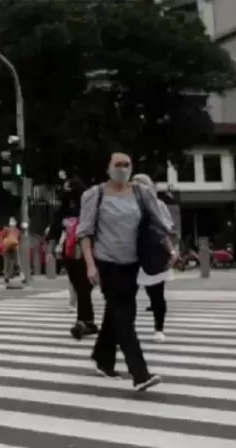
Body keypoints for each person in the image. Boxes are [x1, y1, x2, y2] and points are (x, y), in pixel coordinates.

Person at [76, 151, 175, 392]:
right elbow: (85, 232)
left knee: (116, 312)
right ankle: (139, 373)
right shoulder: (95, 195)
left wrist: (171, 249)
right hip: (107, 263)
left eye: (127, 164)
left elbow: (159, 224)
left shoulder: (142, 193)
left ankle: (103, 357)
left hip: (133, 263)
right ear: (108, 167)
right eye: (118, 164)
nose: (123, 168)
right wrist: (90, 264)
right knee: (124, 317)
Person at [46, 178, 96, 339]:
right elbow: (54, 231)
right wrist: (51, 250)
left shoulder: (89, 208)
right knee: (80, 287)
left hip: (88, 253)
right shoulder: (62, 210)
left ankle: (82, 321)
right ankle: (88, 321)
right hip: (68, 253)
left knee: (84, 287)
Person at [132, 173, 173, 343]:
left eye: (143, 184)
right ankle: (124, 333)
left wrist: (171, 251)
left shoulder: (159, 205)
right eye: (135, 184)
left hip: (153, 253)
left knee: (156, 294)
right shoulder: (126, 205)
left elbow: (167, 228)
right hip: (130, 253)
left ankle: (159, 328)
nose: (139, 187)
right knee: (125, 296)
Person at [2, 217, 21, 282]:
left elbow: (2, 237)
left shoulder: (8, 229)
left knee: (8, 262)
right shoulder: (15, 230)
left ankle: (8, 275)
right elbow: (19, 239)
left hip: (10, 247)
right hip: (11, 247)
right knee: (10, 262)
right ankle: (8, 275)